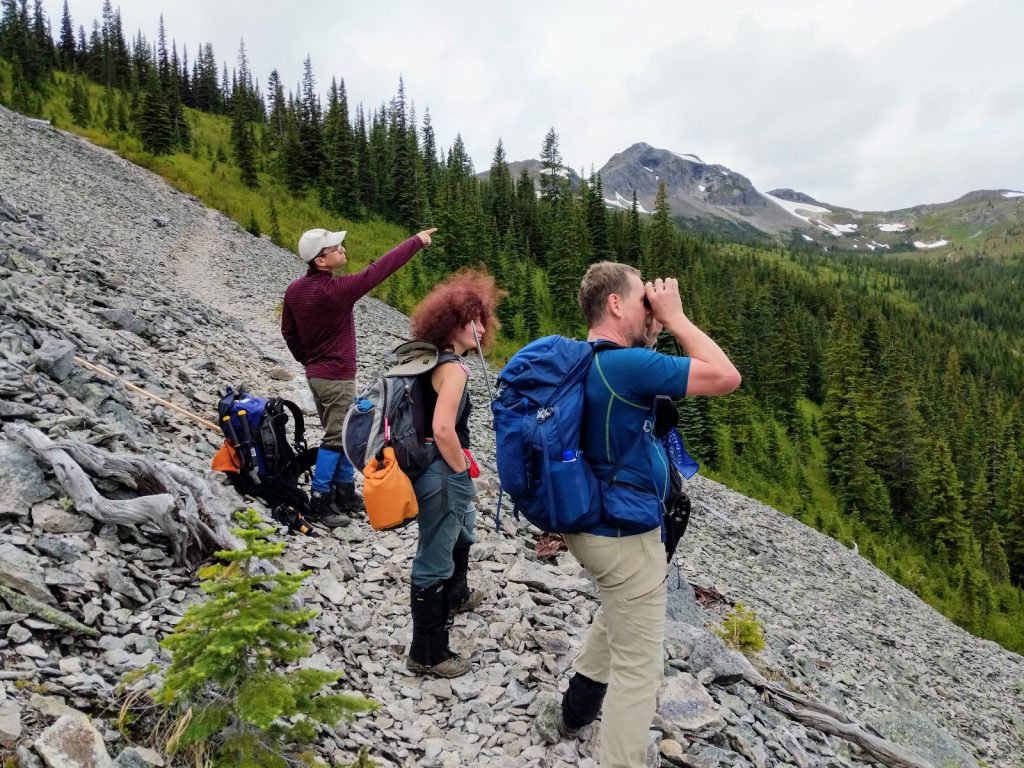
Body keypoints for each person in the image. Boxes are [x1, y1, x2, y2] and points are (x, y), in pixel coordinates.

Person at [543, 261, 741, 767]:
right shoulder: (625, 366)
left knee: (619, 611)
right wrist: (675, 318)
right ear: (614, 304)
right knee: (639, 671)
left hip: (591, 526)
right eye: (642, 304)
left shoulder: (587, 359)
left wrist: (652, 324)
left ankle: (574, 712)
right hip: (623, 537)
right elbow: (726, 376)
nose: (650, 314)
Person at [281, 226, 436, 527]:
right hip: (336, 377)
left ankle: (345, 492)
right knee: (336, 438)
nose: (342, 249)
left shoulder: (295, 290)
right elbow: (379, 270)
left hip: (318, 376)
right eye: (335, 248)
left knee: (343, 433)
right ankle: (320, 501)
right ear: (320, 261)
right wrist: (416, 241)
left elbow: (288, 331)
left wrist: (309, 360)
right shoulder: (336, 292)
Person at [403, 270, 504, 678]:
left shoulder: (429, 358)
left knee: (463, 529)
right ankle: (427, 652)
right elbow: (443, 428)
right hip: (442, 471)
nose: (480, 328)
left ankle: (457, 594)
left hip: (429, 466)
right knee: (433, 557)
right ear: (451, 323)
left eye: (482, 320)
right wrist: (461, 469)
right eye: (471, 320)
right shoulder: (455, 370)